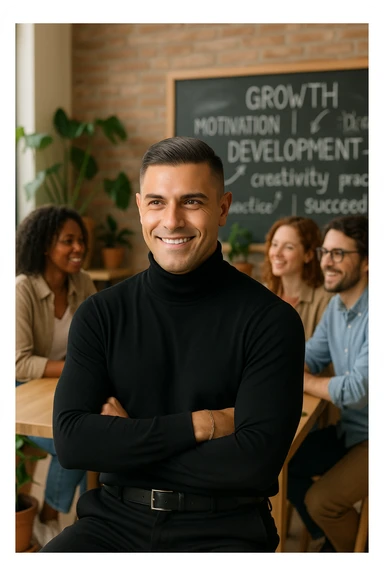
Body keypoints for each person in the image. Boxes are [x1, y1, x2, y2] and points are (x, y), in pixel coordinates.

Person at [40, 136, 305, 553]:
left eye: (192, 202)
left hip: (224, 530)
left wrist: (125, 440)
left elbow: (252, 466)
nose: (173, 220)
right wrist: (200, 425)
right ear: (141, 206)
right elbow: (73, 442)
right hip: (112, 524)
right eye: (158, 202)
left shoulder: (272, 321)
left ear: (222, 208)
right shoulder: (100, 313)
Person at [16, 204, 97, 546]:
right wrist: (77, 368)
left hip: (64, 386)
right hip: (23, 389)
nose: (78, 248)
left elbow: (99, 342)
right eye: (68, 241)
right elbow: (18, 363)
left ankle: (90, 522)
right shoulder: (22, 288)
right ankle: (48, 518)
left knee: (98, 435)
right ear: (46, 246)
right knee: (75, 443)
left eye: (80, 240)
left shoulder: (83, 282)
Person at [287, 215, 368, 552]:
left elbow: (356, 389)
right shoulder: (337, 306)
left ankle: (357, 555)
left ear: (367, 262)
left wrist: (302, 379)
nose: (326, 262)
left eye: (339, 254)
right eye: (325, 251)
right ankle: (329, 541)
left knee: (322, 501)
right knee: (281, 463)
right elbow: (309, 357)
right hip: (350, 430)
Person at [263, 216, 332, 341]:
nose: (277, 253)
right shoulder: (262, 293)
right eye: (274, 244)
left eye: (288, 247)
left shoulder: (326, 301)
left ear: (308, 255)